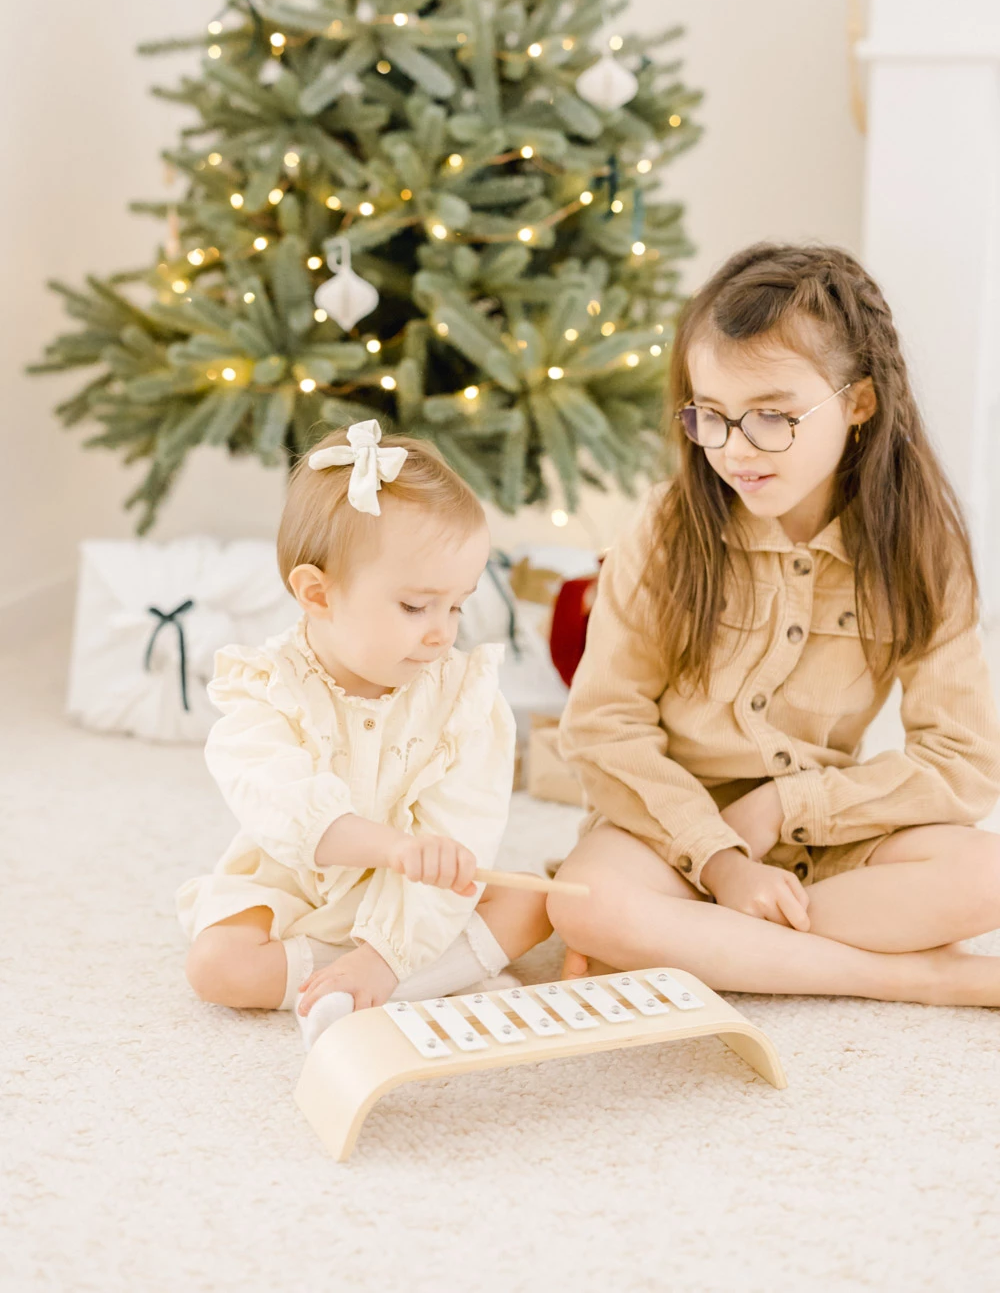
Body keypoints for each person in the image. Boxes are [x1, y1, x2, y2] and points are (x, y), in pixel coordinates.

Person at [548, 243, 1000, 1008]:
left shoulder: (920, 547)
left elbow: (963, 761)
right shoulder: (665, 528)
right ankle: (914, 976)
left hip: (829, 836)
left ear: (859, 402)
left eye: (773, 418)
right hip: (672, 842)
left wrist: (787, 808)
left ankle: (720, 946)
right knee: (583, 902)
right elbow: (603, 729)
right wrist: (722, 859)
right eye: (712, 417)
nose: (734, 449)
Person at [178, 420, 551, 1050]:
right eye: (416, 606)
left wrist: (388, 942)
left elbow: (463, 826)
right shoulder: (263, 688)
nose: (443, 633)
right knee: (215, 964)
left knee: (537, 903)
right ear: (317, 593)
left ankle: (374, 977)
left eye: (456, 605)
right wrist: (387, 846)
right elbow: (278, 799)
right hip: (297, 889)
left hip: (419, 897)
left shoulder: (464, 699)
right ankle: (417, 981)